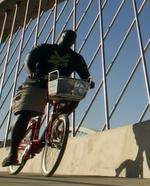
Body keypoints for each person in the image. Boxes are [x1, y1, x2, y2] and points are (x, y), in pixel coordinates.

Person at [2, 30, 91, 167]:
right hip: (37, 83)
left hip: (59, 87)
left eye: (72, 39)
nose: (69, 40)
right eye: (66, 37)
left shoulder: (76, 58)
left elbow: (85, 75)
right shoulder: (45, 48)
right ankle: (13, 154)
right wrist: (32, 72)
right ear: (60, 36)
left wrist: (88, 81)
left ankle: (51, 130)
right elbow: (29, 60)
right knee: (26, 113)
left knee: (74, 98)